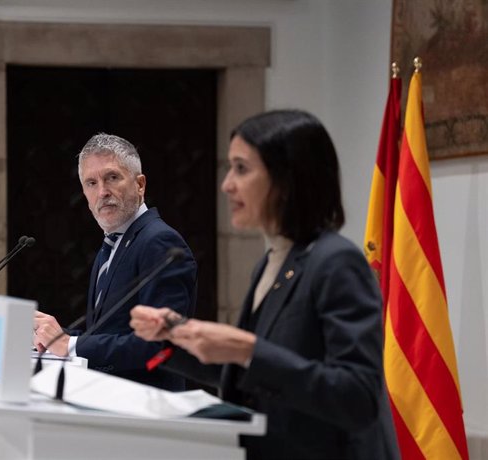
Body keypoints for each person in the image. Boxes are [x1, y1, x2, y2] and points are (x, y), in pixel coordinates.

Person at [130, 110, 400, 459]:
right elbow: (255, 373)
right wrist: (171, 340)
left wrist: (247, 348)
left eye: (242, 168)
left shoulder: (337, 263)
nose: (227, 184)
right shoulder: (273, 262)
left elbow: (358, 396)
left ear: (287, 180)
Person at [33, 133, 197, 391]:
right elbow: (108, 336)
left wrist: (72, 345)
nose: (102, 192)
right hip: (109, 400)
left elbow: (160, 345)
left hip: (146, 409)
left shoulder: (160, 242)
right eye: (91, 182)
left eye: (112, 177)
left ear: (140, 184)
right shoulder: (111, 245)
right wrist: (57, 337)